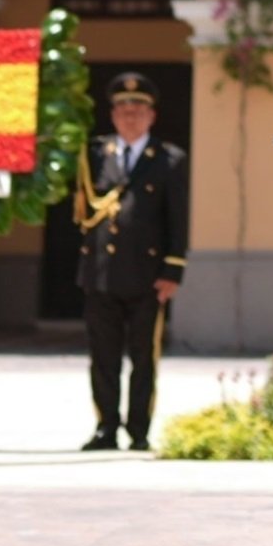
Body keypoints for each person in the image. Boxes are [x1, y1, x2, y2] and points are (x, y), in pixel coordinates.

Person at [79, 71, 190, 451]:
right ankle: (105, 427)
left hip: (148, 276)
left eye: (138, 109)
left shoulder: (169, 159)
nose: (130, 115)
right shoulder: (93, 155)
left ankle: (138, 431)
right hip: (101, 275)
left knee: (144, 358)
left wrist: (173, 269)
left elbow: (178, 218)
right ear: (112, 114)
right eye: (123, 108)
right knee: (103, 356)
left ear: (151, 116)